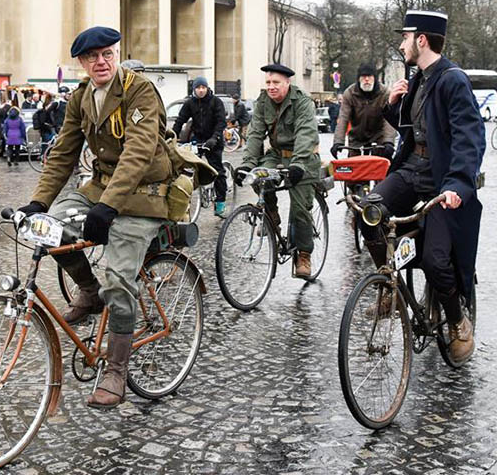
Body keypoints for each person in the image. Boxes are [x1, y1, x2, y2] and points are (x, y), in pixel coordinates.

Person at [18, 26, 173, 409]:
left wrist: (109, 206)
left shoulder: (139, 89)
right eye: (92, 57)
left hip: (144, 194)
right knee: (48, 231)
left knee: (118, 278)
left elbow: (139, 152)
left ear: (117, 54)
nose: (100, 62)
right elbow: (63, 152)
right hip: (100, 188)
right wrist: (38, 202)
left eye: (107, 54)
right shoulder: (82, 96)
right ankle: (89, 291)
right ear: (81, 62)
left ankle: (116, 369)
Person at [360, 10, 485, 366]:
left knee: (435, 259)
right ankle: (390, 286)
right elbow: (414, 128)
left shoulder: (452, 80)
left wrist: (457, 184)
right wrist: (393, 106)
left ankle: (458, 322)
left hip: (441, 178)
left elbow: (470, 138)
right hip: (411, 169)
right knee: (369, 213)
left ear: (422, 40)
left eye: (405, 38)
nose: (402, 45)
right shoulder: (418, 78)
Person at [236, 63, 320, 279]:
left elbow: (305, 133)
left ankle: (304, 255)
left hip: (303, 157)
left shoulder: (302, 101)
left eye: (276, 82)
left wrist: (298, 164)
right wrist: (247, 164)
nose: (271, 87)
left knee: (300, 209)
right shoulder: (263, 101)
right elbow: (255, 133)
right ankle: (272, 217)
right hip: (277, 154)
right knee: (258, 176)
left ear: (287, 83)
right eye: (268, 82)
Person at [172, 76, 228, 217]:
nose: (201, 90)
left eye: (203, 87)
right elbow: (180, 120)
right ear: (194, 89)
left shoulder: (216, 102)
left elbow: (221, 122)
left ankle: (220, 201)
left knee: (217, 171)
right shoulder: (190, 103)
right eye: (198, 88)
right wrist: (172, 135)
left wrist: (214, 138)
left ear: (207, 88)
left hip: (214, 140)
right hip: (198, 139)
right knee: (189, 166)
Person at [331, 63, 394, 159]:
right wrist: (338, 142)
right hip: (357, 136)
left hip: (378, 136)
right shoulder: (350, 93)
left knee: (381, 163)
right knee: (354, 164)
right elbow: (343, 118)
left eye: (370, 76)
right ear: (358, 79)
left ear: (375, 78)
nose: (367, 79)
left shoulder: (385, 93)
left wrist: (388, 141)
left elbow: (389, 119)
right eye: (363, 76)